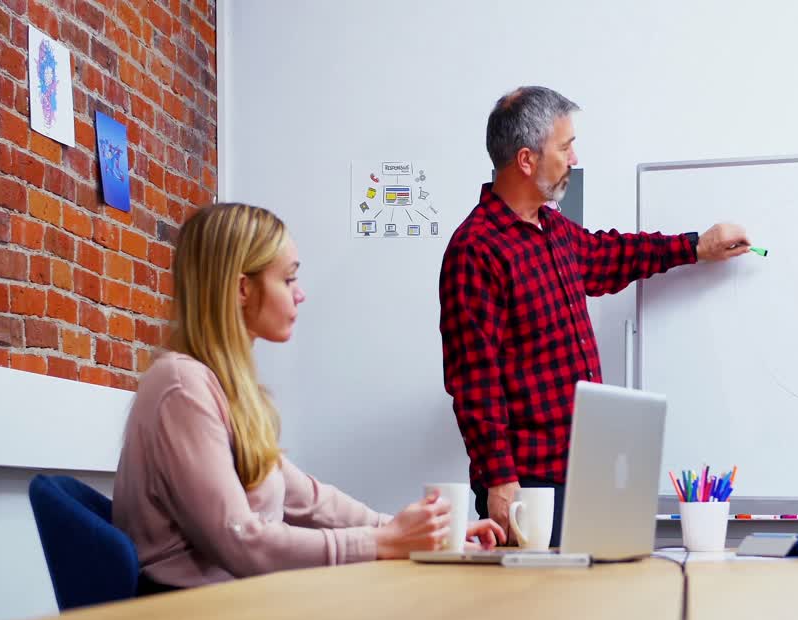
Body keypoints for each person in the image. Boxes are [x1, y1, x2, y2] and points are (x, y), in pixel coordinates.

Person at [114, 203, 504, 593]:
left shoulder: (225, 388)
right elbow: (241, 541)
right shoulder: (182, 387)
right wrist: (382, 542)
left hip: (232, 605)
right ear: (242, 289)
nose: (299, 295)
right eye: (287, 280)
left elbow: (310, 499)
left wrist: (419, 532)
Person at [440, 86, 752, 545]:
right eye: (565, 147)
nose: (573, 157)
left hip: (585, 473)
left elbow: (611, 254)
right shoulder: (476, 249)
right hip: (529, 484)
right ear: (526, 160)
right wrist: (500, 481)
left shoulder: (553, 229)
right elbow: (474, 381)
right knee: (531, 613)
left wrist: (694, 246)